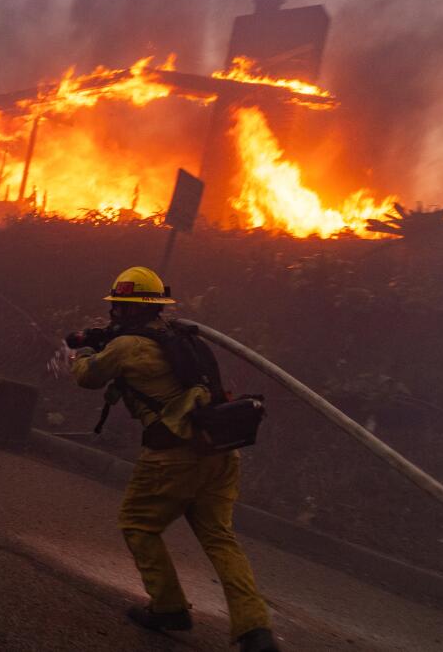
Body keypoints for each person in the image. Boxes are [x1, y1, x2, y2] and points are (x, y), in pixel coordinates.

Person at [50, 266, 280, 652]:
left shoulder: (127, 347)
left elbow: (88, 376)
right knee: (220, 538)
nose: (115, 314)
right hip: (219, 451)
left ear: (124, 308)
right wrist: (102, 336)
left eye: (118, 307)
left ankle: (169, 607)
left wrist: (80, 351)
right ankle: (256, 630)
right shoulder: (182, 336)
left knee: (138, 524)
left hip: (173, 456)